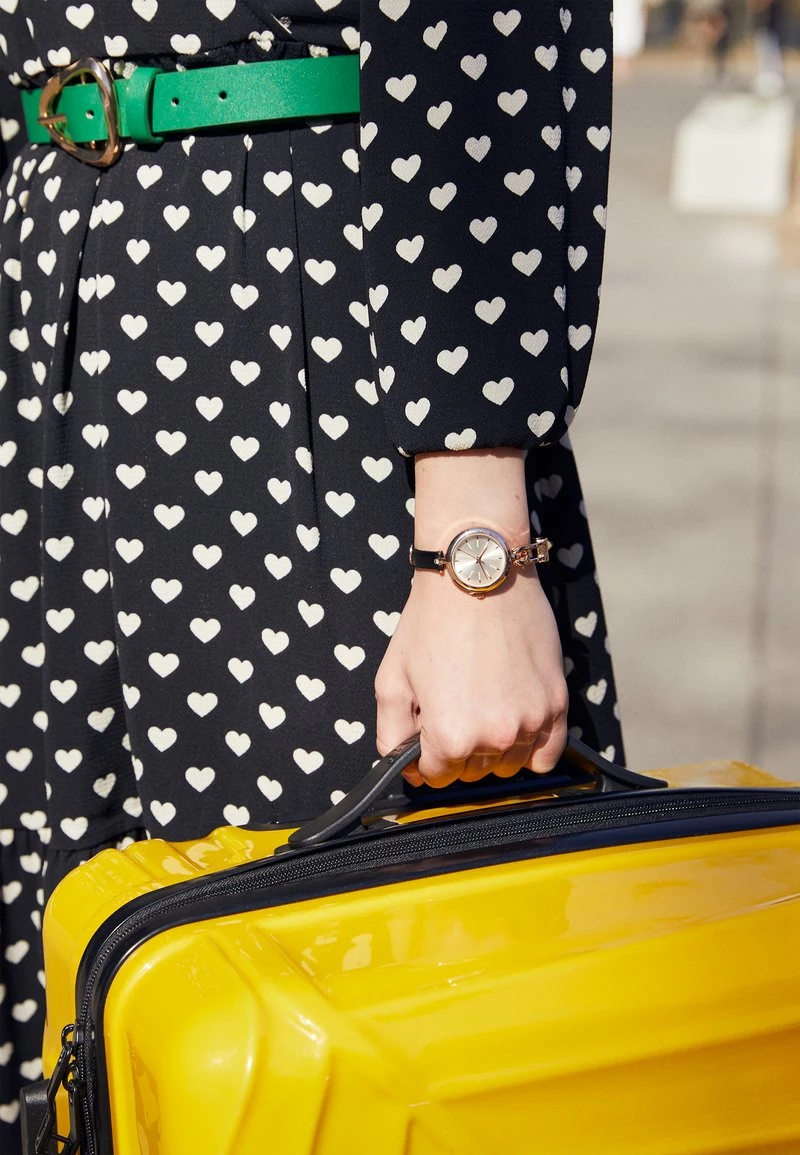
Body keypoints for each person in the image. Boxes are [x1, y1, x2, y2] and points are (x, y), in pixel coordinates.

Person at [0, 3, 622, 1146]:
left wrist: (471, 551)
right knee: (94, 1026)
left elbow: (480, 33)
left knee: (360, 996)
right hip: (49, 300)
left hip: (292, 313)